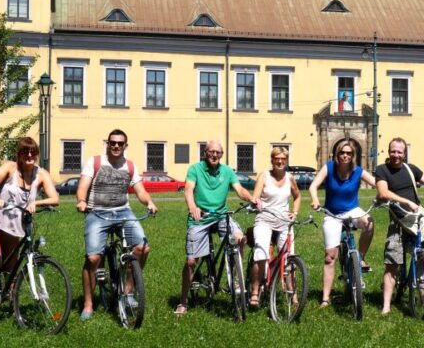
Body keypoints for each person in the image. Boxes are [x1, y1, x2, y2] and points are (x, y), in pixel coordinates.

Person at [0, 137, 59, 327]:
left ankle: (9, 299)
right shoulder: (9, 167)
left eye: (33, 152)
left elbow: (55, 198)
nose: (29, 155)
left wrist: (36, 202)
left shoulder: (41, 174)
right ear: (18, 154)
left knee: (12, 263)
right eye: (24, 152)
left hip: (14, 220)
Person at [76, 129, 158, 321]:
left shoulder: (129, 166)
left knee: (142, 248)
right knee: (93, 259)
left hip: (123, 212)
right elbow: (82, 187)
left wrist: (150, 202)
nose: (116, 146)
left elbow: (140, 191)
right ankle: (88, 304)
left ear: (125, 146)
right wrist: (81, 200)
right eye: (112, 142)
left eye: (120, 144)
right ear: (107, 143)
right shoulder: (95, 162)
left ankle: (127, 292)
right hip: (97, 212)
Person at [175, 139, 257, 315]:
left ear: (221, 155)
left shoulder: (227, 171)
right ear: (205, 153)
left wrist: (251, 198)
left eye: (218, 153)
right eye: (211, 152)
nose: (214, 155)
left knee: (240, 238)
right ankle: (183, 301)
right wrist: (192, 207)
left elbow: (239, 189)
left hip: (221, 216)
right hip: (201, 217)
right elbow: (189, 190)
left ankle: (235, 279)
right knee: (191, 262)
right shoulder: (195, 169)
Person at [375, 137, 424, 314]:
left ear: (404, 153)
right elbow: (383, 193)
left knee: (422, 259)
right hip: (397, 220)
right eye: (393, 151)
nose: (396, 155)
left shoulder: (411, 169)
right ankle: (386, 305)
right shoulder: (382, 170)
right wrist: (406, 202)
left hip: (416, 220)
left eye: (399, 152)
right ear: (388, 151)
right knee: (392, 263)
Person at [308, 139, 376, 308]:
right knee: (330, 257)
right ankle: (325, 298)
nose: (345, 155)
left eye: (349, 153)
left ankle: (360, 258)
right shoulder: (329, 167)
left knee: (369, 223)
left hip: (353, 211)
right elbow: (313, 185)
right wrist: (315, 199)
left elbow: (376, 183)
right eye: (342, 152)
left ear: (353, 156)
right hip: (331, 214)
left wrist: (383, 193)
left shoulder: (358, 171)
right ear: (337, 154)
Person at [248, 147, 301, 308]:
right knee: (261, 254)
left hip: (283, 221)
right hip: (265, 219)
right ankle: (255, 292)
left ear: (286, 161)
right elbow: (255, 196)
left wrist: (295, 212)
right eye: (277, 158)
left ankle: (294, 294)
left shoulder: (290, 178)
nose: (280, 161)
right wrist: (255, 202)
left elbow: (297, 196)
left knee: (289, 258)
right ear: (272, 160)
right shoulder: (264, 177)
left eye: (283, 159)